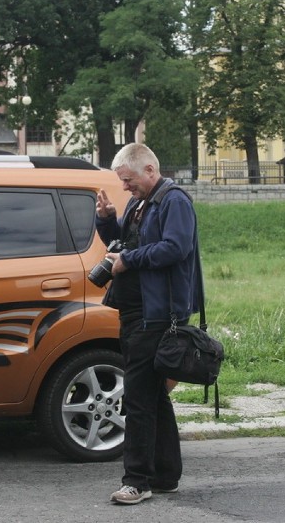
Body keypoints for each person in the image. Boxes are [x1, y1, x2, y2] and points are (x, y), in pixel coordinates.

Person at [95, 143, 201, 505]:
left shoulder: (174, 202)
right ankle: (166, 475)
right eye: (122, 182)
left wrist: (129, 260)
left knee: (138, 398)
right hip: (137, 311)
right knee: (154, 395)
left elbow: (176, 248)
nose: (124, 187)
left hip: (156, 315)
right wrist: (108, 220)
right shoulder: (139, 203)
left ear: (149, 171)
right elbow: (124, 242)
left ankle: (136, 482)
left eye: (128, 180)